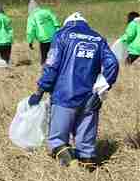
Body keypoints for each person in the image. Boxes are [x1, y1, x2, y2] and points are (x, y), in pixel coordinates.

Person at [27, 12, 119, 169]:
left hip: (64, 96)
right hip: (91, 99)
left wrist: (40, 90)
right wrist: (101, 88)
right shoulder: (98, 38)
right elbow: (113, 64)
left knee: (57, 142)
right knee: (87, 150)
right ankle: (88, 173)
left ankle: (69, 170)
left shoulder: (61, 35)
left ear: (67, 23)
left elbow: (52, 66)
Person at [26, 0, 61, 65]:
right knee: (55, 56)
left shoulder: (31, 17)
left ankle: (44, 68)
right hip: (54, 36)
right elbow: (55, 21)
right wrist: (58, 31)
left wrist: (30, 41)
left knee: (44, 57)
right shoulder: (47, 11)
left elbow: (30, 30)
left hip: (43, 39)